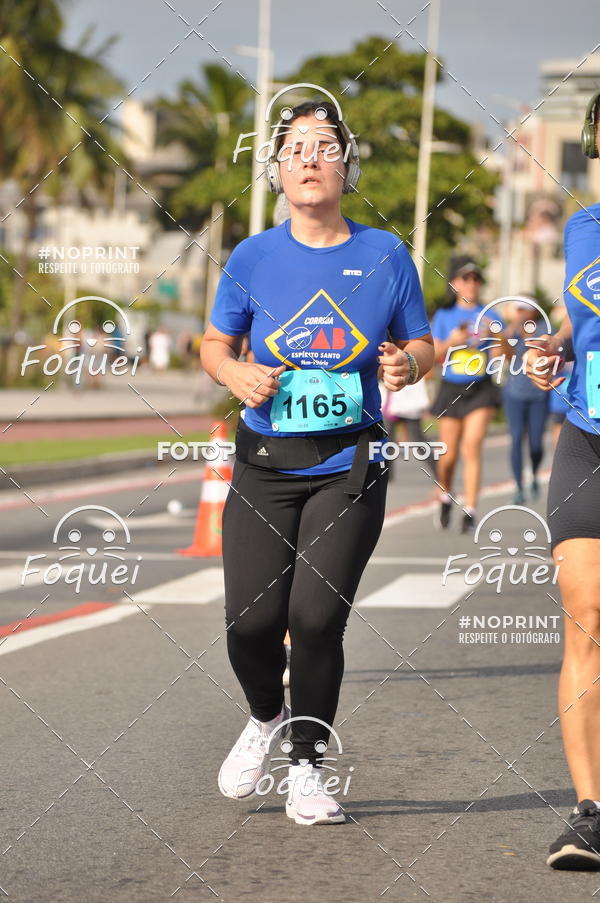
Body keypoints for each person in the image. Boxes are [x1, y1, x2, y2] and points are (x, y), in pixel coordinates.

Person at [201, 99, 433, 824]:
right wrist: (235, 375)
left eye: (324, 144)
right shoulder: (252, 257)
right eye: (295, 146)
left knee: (315, 615)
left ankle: (307, 768)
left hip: (348, 462)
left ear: (346, 164)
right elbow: (213, 344)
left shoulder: (386, 255)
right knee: (249, 622)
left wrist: (406, 366)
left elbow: (422, 345)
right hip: (265, 462)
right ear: (275, 170)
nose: (309, 157)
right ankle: (266, 714)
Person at [524, 89, 600, 869]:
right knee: (586, 614)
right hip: (587, 440)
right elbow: (584, 316)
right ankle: (591, 813)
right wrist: (556, 348)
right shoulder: (583, 229)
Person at [430, 256, 508, 532]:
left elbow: (506, 353)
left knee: (472, 446)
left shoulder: (491, 314)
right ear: (453, 283)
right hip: (451, 387)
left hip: (481, 388)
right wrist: (453, 341)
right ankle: (445, 495)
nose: (472, 283)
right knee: (448, 455)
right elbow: (432, 354)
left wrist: (497, 338)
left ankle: (471, 509)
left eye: (476, 278)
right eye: (466, 278)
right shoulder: (444, 316)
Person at [502, 297, 549, 504]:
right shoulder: (511, 331)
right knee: (517, 437)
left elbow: (549, 353)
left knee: (536, 443)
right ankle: (519, 487)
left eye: (525, 310)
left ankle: (535, 473)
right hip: (514, 393)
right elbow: (506, 357)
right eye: (518, 309)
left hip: (539, 394)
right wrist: (510, 334)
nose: (521, 313)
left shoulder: (543, 328)